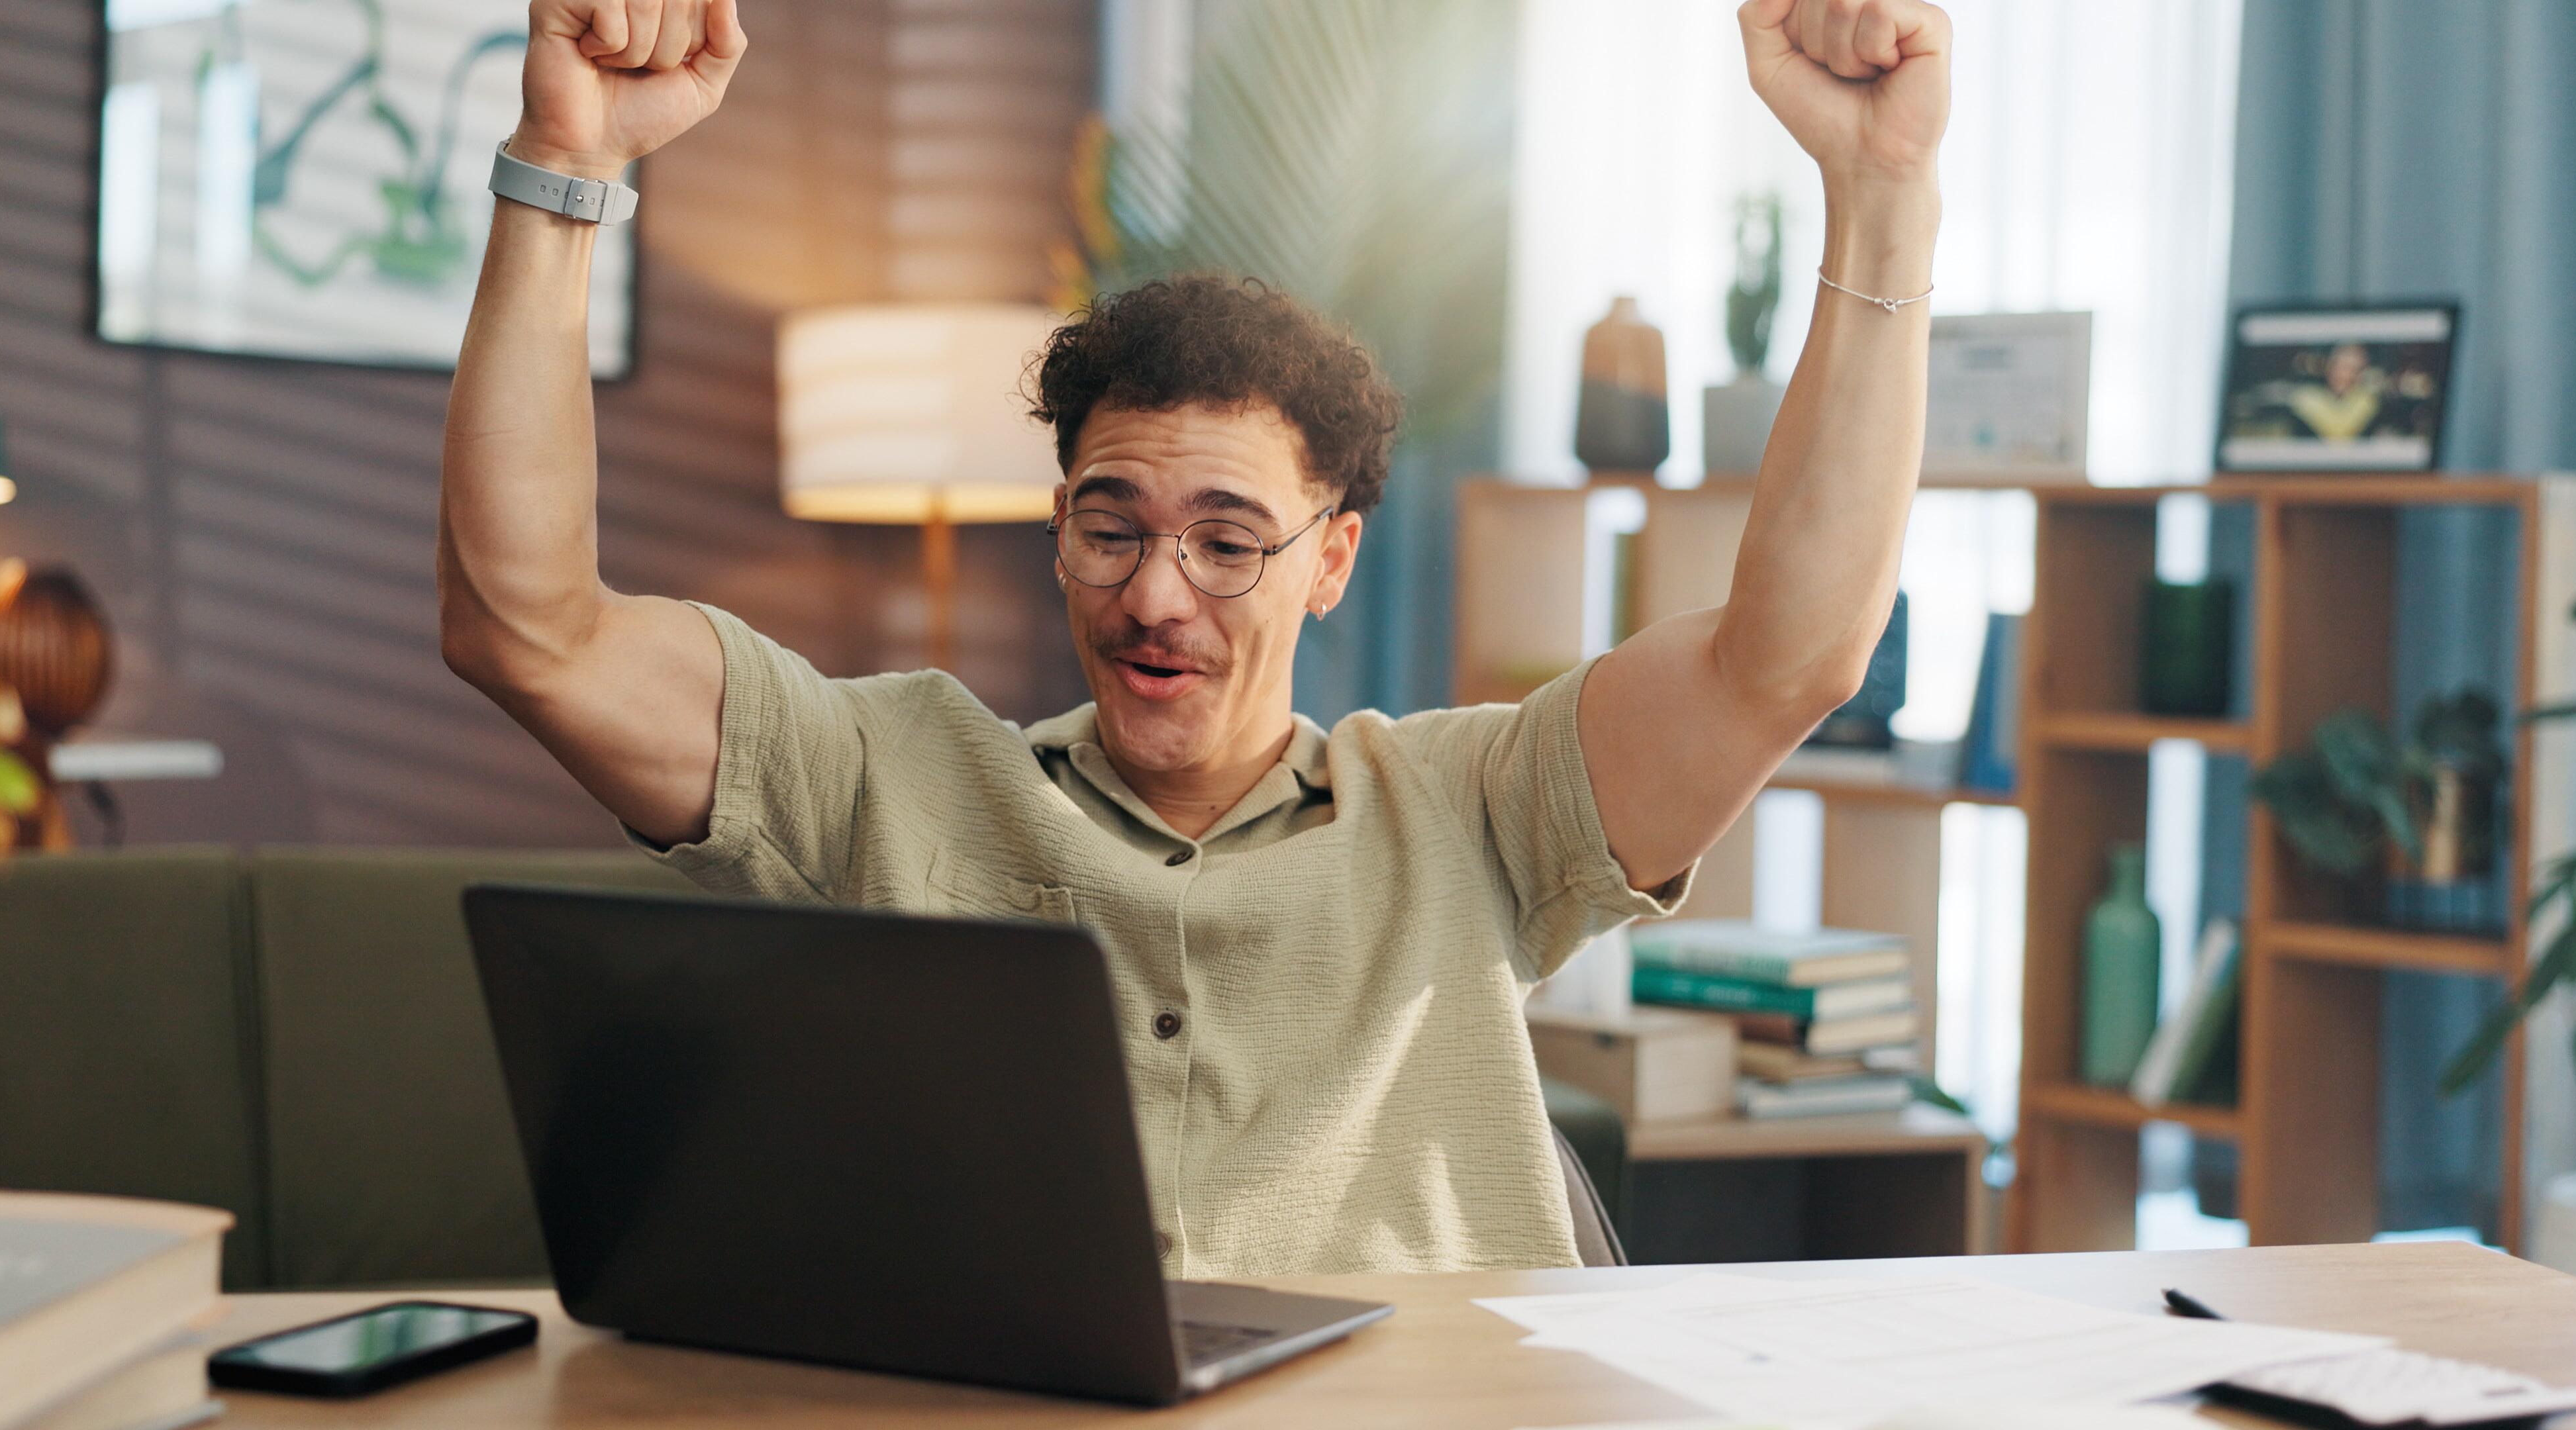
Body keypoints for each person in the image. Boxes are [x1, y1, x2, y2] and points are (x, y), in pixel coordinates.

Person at [441, 0, 1949, 1276]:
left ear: (1330, 562)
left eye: (1227, 545)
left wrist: (1880, 185)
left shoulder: (1476, 808)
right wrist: (564, 163)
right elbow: (530, 632)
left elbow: (1792, 653)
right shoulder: (877, 776)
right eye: (1110, 527)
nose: (1155, 595)